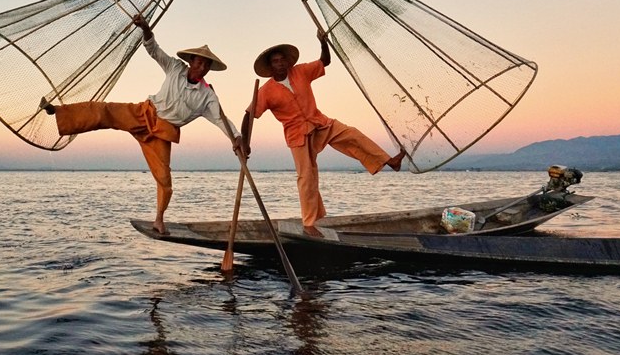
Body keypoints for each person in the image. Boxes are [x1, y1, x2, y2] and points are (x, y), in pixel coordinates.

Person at [42, 14, 243, 235]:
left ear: (208, 69)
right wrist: (145, 27)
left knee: (164, 179)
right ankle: (58, 111)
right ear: (191, 62)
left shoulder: (207, 96)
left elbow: (222, 121)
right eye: (199, 62)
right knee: (104, 111)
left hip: (162, 133)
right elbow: (153, 49)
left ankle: (158, 219)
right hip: (143, 113)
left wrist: (237, 139)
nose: (202, 67)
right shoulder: (175, 68)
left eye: (206, 65)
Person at [249, 29, 405, 237]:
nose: (281, 63)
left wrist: (323, 42)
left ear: (288, 62)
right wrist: (243, 139)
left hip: (319, 123)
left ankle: (389, 161)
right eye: (276, 61)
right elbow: (249, 115)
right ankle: (311, 222)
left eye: (283, 59)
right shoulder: (266, 91)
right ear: (271, 67)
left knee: (352, 134)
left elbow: (325, 61)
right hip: (297, 136)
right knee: (307, 177)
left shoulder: (301, 71)